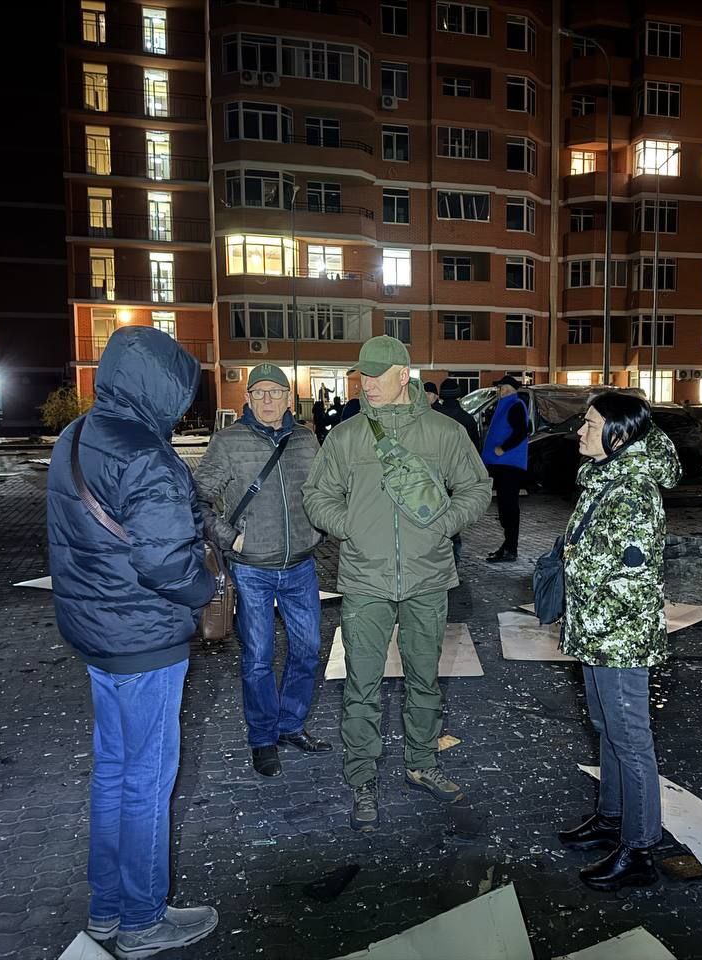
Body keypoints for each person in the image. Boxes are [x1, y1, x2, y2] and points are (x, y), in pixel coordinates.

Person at [47, 326, 219, 957]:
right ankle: (143, 922)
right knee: (147, 779)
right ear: (160, 387)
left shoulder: (75, 436)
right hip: (143, 637)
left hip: (96, 634)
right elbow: (165, 563)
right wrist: (208, 589)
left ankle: (107, 909)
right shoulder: (147, 454)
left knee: (114, 771)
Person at [304, 336, 491, 832]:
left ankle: (421, 762)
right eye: (362, 374)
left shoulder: (445, 432)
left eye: (376, 374)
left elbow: (477, 487)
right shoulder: (347, 436)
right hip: (365, 579)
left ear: (403, 375)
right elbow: (317, 495)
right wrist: (349, 526)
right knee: (361, 685)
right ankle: (362, 777)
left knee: (424, 679)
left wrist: (445, 523)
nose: (366, 383)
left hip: (427, 577)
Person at [556, 391, 682, 893]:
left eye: (590, 424)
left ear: (619, 433)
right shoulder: (607, 476)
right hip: (599, 630)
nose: (580, 431)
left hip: (620, 637)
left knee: (631, 741)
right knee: (606, 728)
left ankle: (640, 848)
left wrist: (566, 565)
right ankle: (612, 818)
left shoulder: (631, 490)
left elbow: (614, 567)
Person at [194, 363, 328, 779]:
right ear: (248, 399)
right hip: (251, 569)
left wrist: (319, 529)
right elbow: (196, 501)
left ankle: (290, 724)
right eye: (259, 393)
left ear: (290, 398)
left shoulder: (306, 440)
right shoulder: (228, 442)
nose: (268, 400)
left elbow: (324, 491)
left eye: (276, 392)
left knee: (307, 650)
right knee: (258, 659)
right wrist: (230, 538)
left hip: (300, 565)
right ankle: (263, 738)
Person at [433, 378, 481, 564]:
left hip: (437, 475)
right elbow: (474, 449)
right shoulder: (467, 419)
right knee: (454, 513)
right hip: (459, 475)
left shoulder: (435, 417)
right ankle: (454, 554)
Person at [482, 375, 530, 563]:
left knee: (508, 507)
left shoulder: (515, 405)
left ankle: (510, 548)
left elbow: (521, 432)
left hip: (509, 465)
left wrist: (503, 448)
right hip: (504, 465)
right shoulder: (508, 405)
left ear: (509, 389)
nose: (499, 391)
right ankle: (508, 546)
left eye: (501, 388)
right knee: (504, 506)